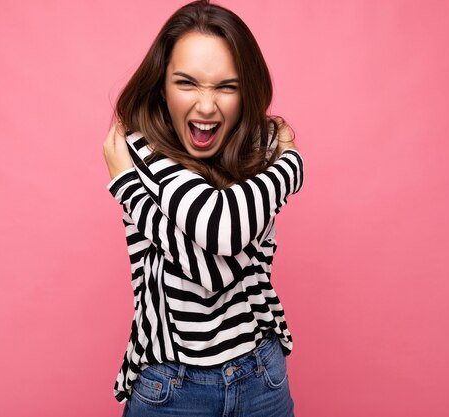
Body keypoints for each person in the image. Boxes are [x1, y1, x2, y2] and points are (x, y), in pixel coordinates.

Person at [102, 1, 304, 415]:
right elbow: (216, 256)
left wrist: (130, 193)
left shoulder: (256, 146)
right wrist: (293, 166)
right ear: (161, 86)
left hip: (261, 374)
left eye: (226, 86)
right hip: (171, 386)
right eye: (187, 83)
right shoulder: (142, 147)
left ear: (246, 91)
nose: (207, 106)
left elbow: (218, 247)